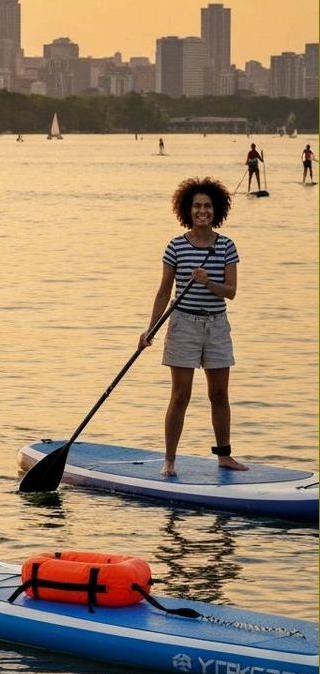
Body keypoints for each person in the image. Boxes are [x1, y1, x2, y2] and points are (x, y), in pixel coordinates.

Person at [139, 177, 245, 478]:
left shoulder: (226, 246)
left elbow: (231, 291)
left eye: (208, 206)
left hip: (216, 325)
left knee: (219, 394)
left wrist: (207, 282)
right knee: (180, 395)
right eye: (197, 206)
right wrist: (150, 330)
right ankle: (169, 460)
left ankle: (224, 456)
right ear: (188, 209)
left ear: (216, 210)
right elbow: (163, 292)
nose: (203, 211)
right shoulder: (176, 246)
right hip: (183, 323)